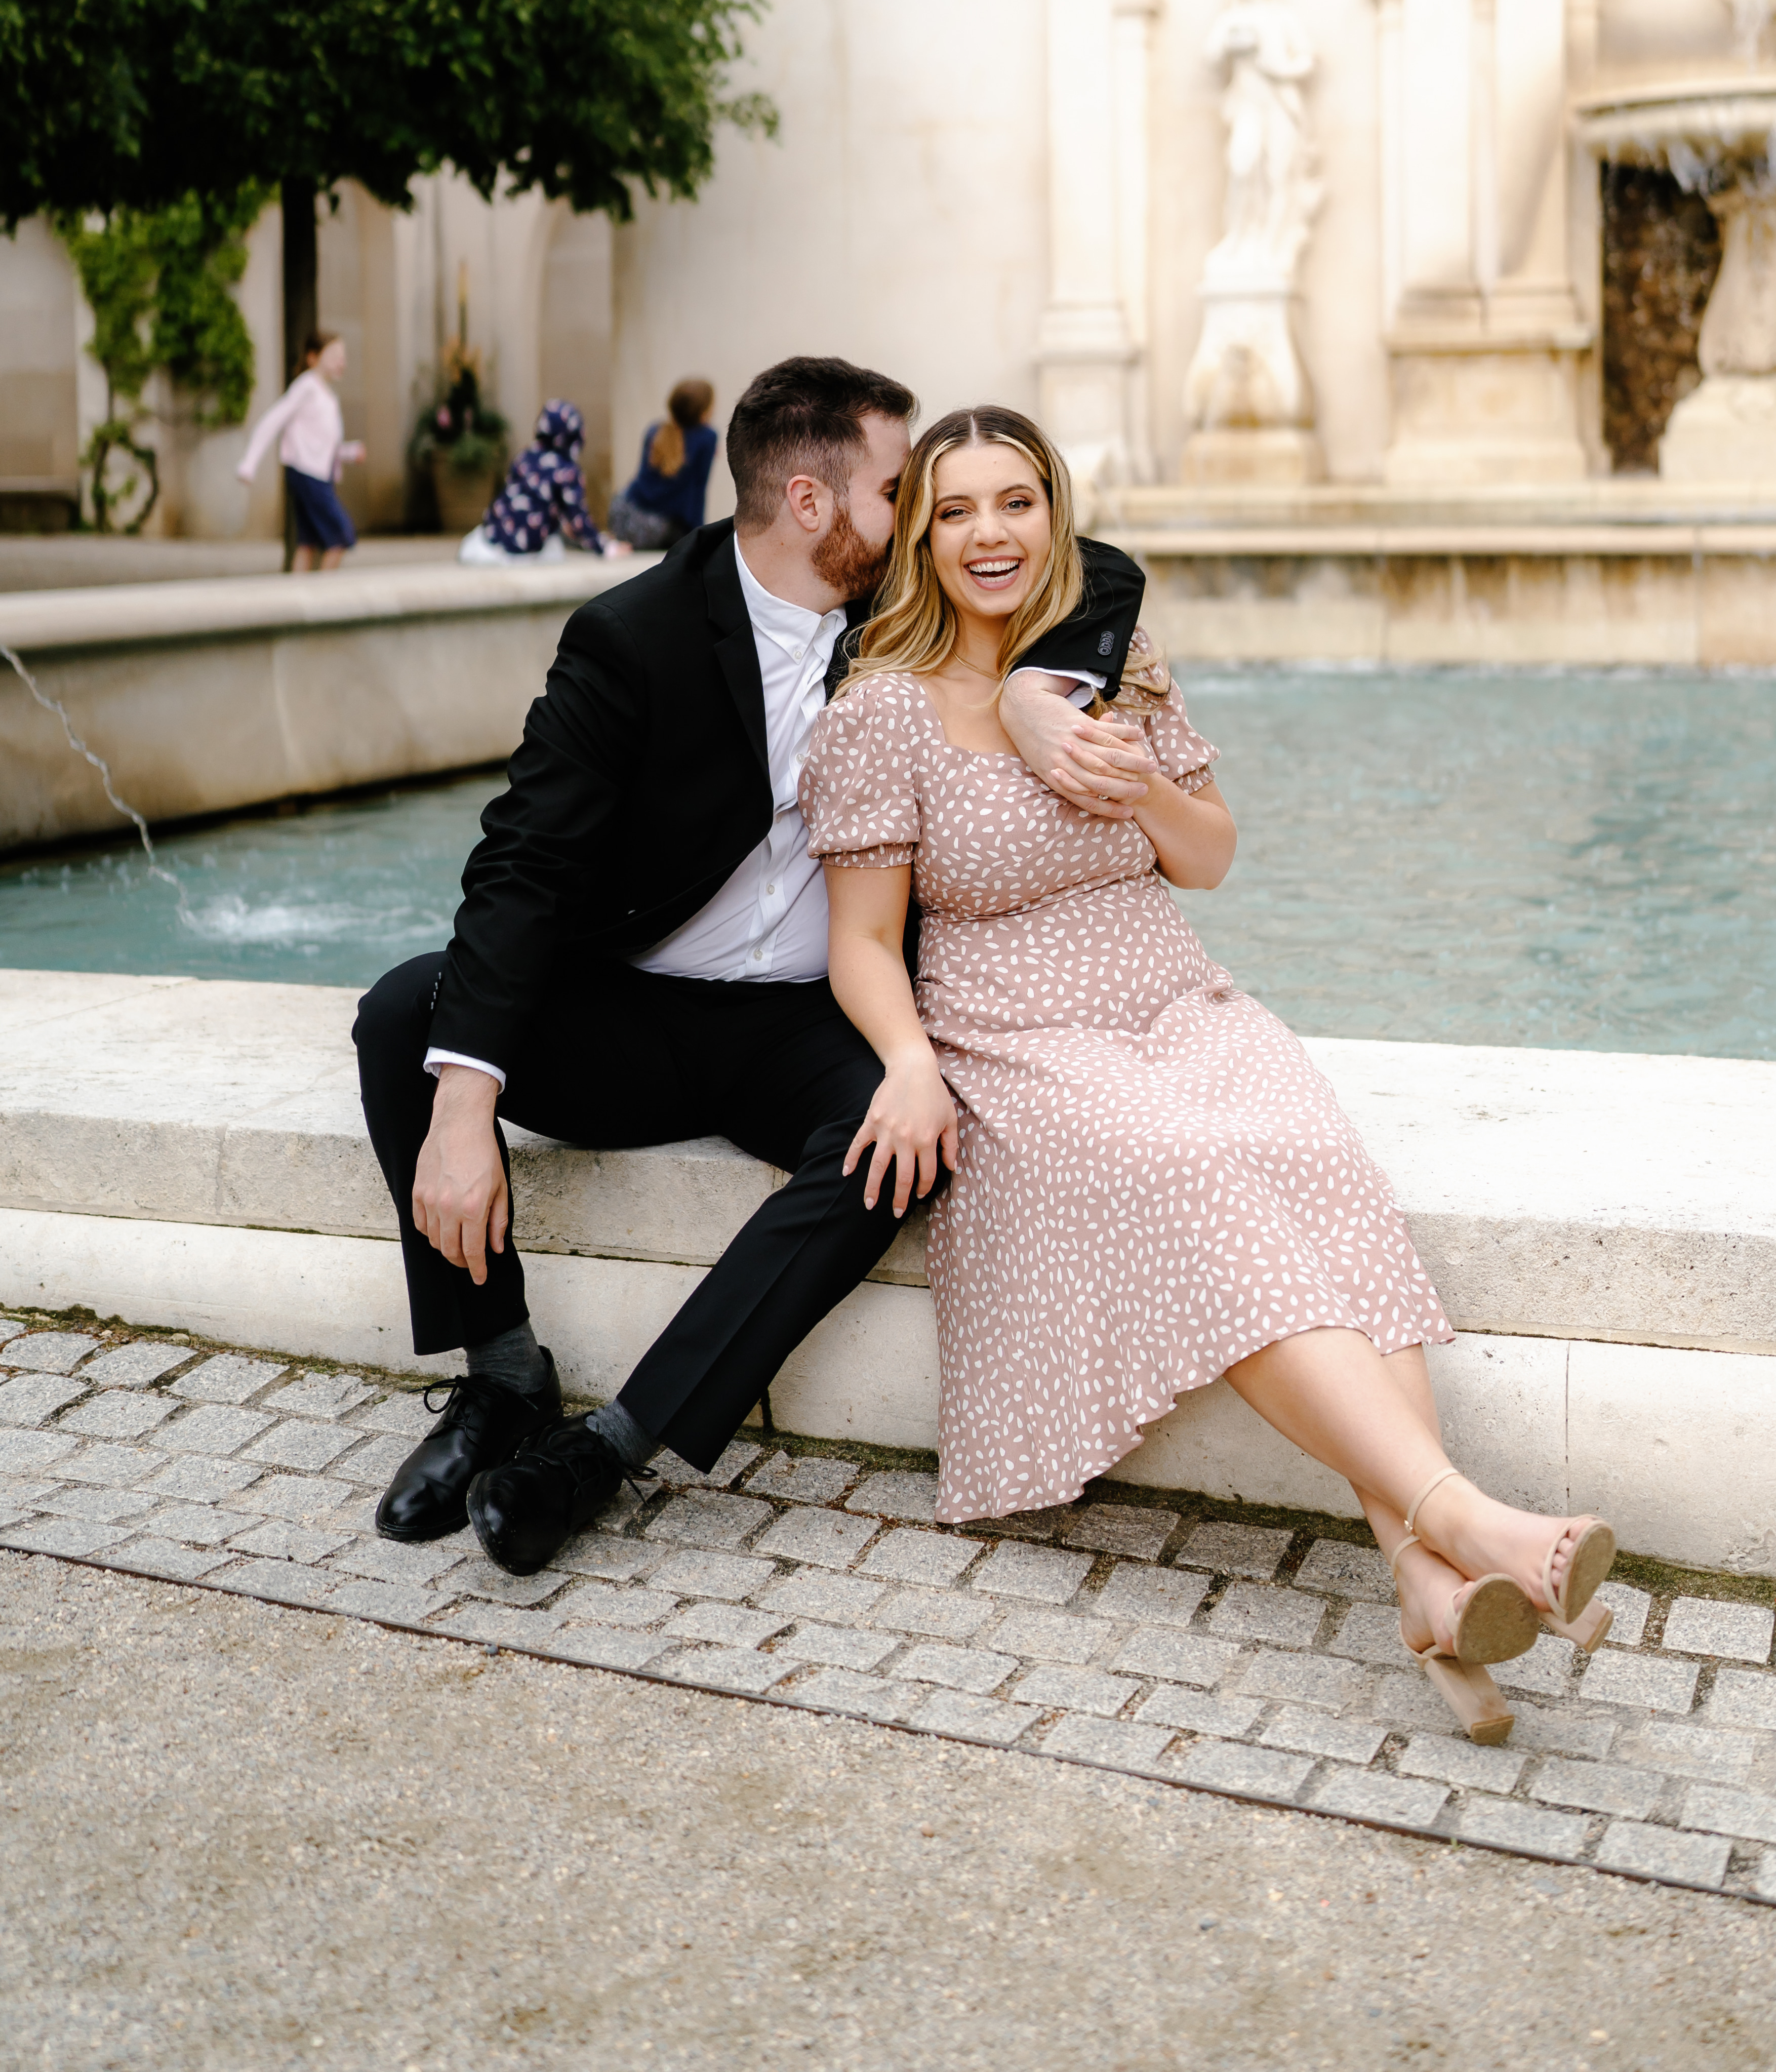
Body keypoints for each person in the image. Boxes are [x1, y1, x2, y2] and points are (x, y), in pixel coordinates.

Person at [799, 404, 1618, 1747]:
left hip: (1177, 998)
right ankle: (1471, 1519)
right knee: (1193, 1172)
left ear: (1055, 516)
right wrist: (907, 1062)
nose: (989, 534)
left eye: (1016, 503)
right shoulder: (883, 712)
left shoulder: (1112, 667)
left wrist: (1136, 792)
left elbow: (1211, 856)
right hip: (1021, 1035)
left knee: (1304, 1155)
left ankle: (1423, 1578)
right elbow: (865, 943)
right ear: (925, 540)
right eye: (955, 511)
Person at [353, 354, 1156, 1579]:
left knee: (903, 1140)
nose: (932, 516)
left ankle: (608, 1448)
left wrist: (1045, 693)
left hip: (807, 1017)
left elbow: (1096, 568)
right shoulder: (632, 637)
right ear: (811, 503)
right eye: (905, 490)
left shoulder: (898, 609)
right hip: (637, 1007)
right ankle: (502, 1381)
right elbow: (522, 864)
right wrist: (467, 1105)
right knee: (404, 1013)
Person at [236, 332, 366, 571]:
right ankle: (325, 598)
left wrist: (349, 452)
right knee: (341, 535)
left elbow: (326, 444)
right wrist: (250, 463)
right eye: (335, 356)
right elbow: (273, 420)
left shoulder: (327, 395)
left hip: (320, 474)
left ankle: (298, 593)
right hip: (308, 474)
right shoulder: (306, 387)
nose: (342, 363)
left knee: (308, 542)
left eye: (344, 357)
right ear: (313, 358)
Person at [457, 397, 619, 564]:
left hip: (491, 539)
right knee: (555, 548)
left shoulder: (525, 457)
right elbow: (578, 521)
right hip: (525, 549)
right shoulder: (567, 472)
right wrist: (605, 547)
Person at [606, 379, 716, 551]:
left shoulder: (655, 431)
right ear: (704, 412)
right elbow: (698, 491)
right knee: (677, 531)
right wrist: (698, 537)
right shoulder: (707, 438)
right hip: (658, 529)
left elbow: (645, 484)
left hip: (623, 513)